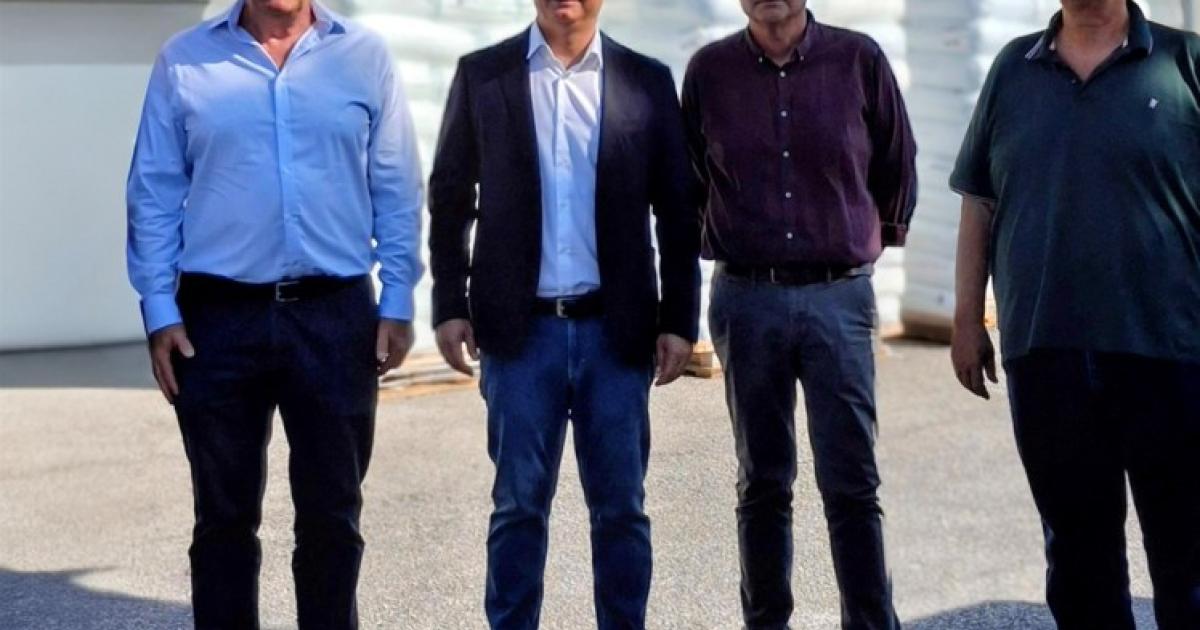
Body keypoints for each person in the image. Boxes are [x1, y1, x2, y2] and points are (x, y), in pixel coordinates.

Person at [126, 0, 423, 627]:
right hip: (216, 320)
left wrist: (398, 297)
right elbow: (153, 190)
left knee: (332, 516)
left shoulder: (363, 57)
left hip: (335, 317)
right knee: (223, 519)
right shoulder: (184, 60)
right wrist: (158, 309)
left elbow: (395, 183)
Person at [427, 0, 701, 627]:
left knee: (621, 511)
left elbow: (678, 211)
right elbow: (450, 197)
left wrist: (679, 320)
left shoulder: (645, 82)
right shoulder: (484, 76)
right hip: (520, 336)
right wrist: (449, 303)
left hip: (616, 333)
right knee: (518, 507)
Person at [950, 1, 1200, 628]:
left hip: (1171, 352)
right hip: (1047, 352)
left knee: (1188, 553)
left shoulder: (1184, 62)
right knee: (1080, 563)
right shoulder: (1013, 69)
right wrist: (965, 319)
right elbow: (979, 200)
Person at [682, 0, 917, 628]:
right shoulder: (709, 72)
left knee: (851, 481)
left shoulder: (858, 59)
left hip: (838, 297)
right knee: (762, 481)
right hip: (747, 298)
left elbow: (896, 158)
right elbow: (691, 179)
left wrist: (869, 234)